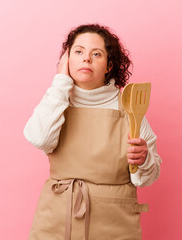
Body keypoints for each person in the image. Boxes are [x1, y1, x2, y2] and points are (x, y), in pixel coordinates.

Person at [24, 24, 162, 240]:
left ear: (109, 66)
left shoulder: (130, 109)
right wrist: (61, 81)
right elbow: (39, 138)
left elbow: (145, 179)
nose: (86, 58)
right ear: (66, 61)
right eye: (78, 52)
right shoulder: (56, 102)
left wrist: (144, 160)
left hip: (115, 223)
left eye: (96, 54)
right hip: (57, 220)